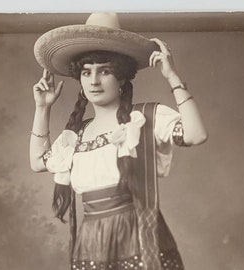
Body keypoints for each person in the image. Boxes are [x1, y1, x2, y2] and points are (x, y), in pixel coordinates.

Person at [30, 13, 207, 270]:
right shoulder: (77, 134)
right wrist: (42, 108)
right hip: (91, 244)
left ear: (122, 76)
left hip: (139, 239)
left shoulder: (143, 118)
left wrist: (172, 77)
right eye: (86, 72)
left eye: (105, 71)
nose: (94, 81)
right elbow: (37, 162)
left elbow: (196, 135)